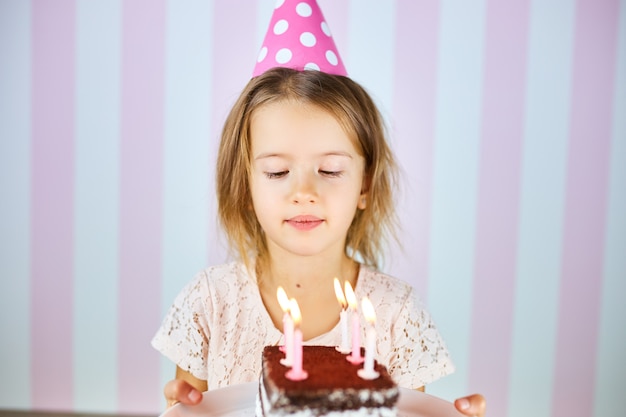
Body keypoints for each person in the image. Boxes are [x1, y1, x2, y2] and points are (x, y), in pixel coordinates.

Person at [152, 2, 486, 416]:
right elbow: (189, 407)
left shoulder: (396, 316)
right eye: (277, 172)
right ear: (246, 184)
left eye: (329, 170)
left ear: (364, 184)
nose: (304, 192)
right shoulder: (211, 305)